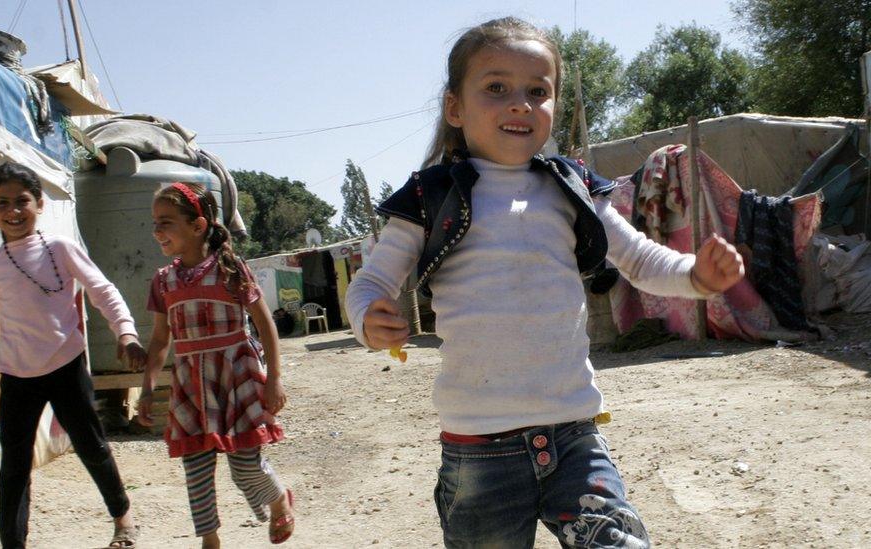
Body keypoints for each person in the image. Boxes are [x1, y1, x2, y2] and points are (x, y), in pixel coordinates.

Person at [345, 17, 744, 549]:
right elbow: (370, 282)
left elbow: (641, 261)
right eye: (496, 88)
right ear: (454, 108)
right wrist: (369, 318)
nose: (520, 104)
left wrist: (696, 275)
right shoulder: (429, 197)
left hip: (574, 434)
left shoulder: (572, 188)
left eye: (538, 91)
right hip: (478, 447)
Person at [0, 162, 144, 549]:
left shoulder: (61, 249)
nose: (13, 210)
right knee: (14, 466)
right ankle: (13, 544)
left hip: (66, 365)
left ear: (39, 203)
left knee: (92, 446)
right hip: (16, 375)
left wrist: (126, 332)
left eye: (22, 200)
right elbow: (1, 317)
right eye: (2, 203)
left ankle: (123, 517)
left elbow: (102, 290)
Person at [136, 182, 293, 548]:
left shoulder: (229, 269)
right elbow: (160, 340)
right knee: (195, 467)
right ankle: (210, 539)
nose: (158, 230)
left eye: (167, 222)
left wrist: (274, 379)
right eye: (154, 223)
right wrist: (146, 389)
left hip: (236, 376)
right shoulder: (163, 281)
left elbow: (265, 323)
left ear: (197, 225)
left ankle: (278, 498)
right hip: (191, 383)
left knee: (244, 466)